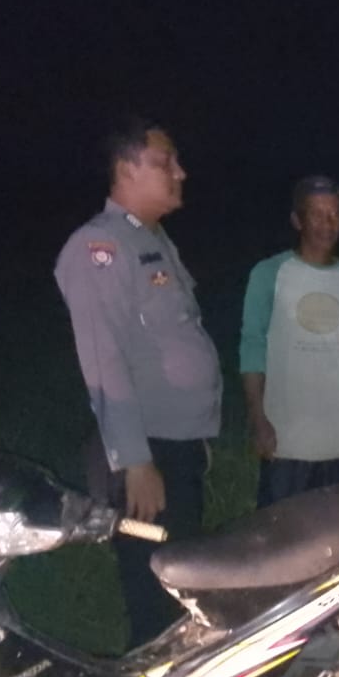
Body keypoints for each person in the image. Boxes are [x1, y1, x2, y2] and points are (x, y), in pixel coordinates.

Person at [55, 116, 223, 648]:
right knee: (157, 598)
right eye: (165, 162)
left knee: (184, 585)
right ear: (127, 169)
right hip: (148, 455)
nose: (180, 172)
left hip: (175, 446)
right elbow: (104, 361)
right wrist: (135, 462)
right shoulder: (99, 247)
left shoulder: (151, 240)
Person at [239, 175, 339, 508]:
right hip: (289, 443)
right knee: (283, 535)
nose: (327, 224)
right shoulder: (268, 273)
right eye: (317, 214)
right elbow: (252, 348)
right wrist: (257, 417)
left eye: (334, 215)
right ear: (297, 220)